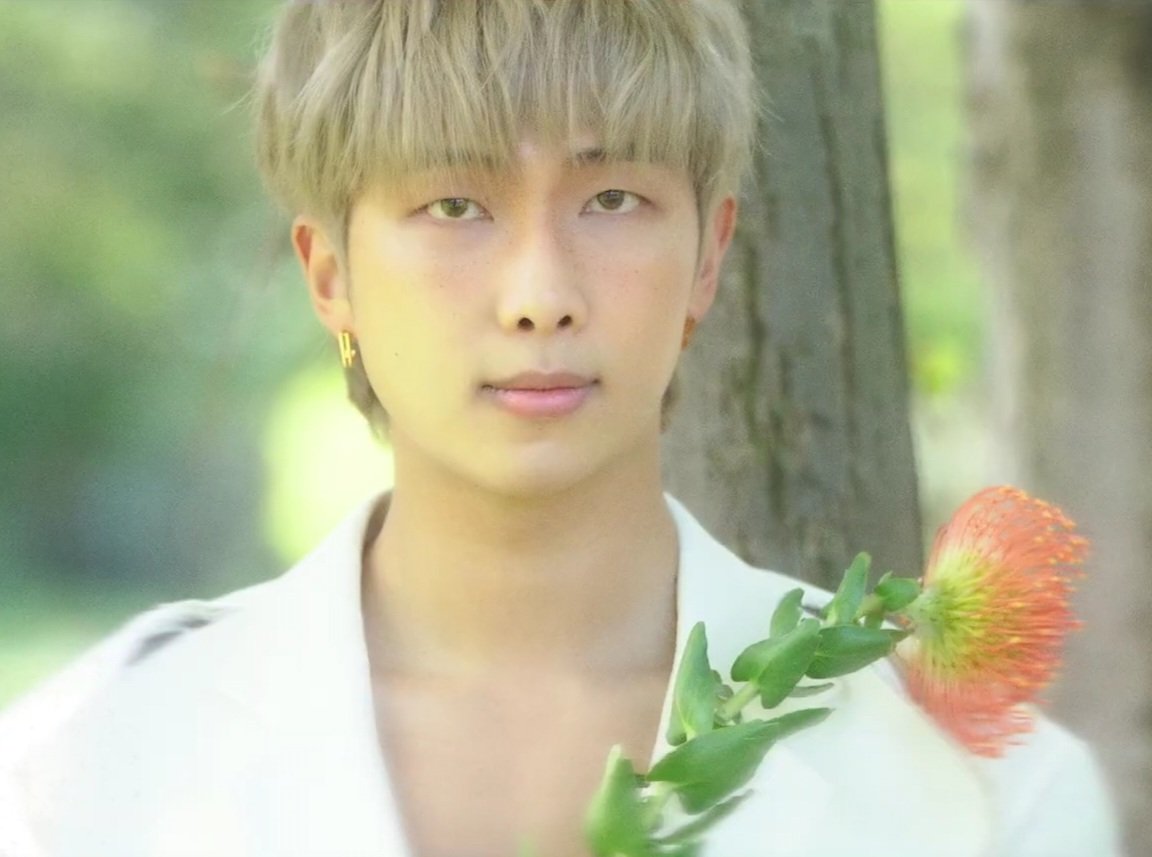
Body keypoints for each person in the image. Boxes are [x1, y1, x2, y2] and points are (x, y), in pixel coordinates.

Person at [0, 1, 1122, 856]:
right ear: (330, 273)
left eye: (611, 200)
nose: (540, 294)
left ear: (709, 255)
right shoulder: (81, 772)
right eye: (454, 204)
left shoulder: (985, 802)